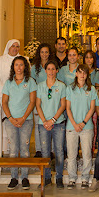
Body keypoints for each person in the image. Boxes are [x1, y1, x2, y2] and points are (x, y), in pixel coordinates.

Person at [2, 56, 37, 190]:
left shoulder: (30, 82)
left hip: (26, 121)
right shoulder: (8, 83)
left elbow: (32, 102)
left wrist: (23, 118)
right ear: (13, 67)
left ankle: (25, 177)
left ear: (25, 67)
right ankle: (13, 177)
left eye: (21, 65)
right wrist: (10, 118)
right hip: (10, 121)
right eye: (16, 65)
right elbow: (4, 102)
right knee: (13, 150)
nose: (19, 67)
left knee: (25, 150)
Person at [36, 60, 66, 189]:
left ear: (57, 71)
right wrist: (44, 121)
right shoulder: (40, 86)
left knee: (59, 151)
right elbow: (38, 104)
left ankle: (59, 177)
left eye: (53, 69)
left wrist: (52, 120)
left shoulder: (62, 86)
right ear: (45, 71)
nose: (51, 71)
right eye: (49, 69)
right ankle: (47, 178)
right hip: (43, 124)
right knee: (45, 151)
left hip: (58, 123)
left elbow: (63, 105)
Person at [66, 64, 96, 189]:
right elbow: (67, 108)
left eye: (84, 72)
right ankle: (72, 178)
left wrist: (83, 123)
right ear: (76, 74)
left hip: (86, 127)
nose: (82, 75)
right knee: (72, 155)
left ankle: (85, 178)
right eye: (80, 72)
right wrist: (74, 123)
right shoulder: (69, 88)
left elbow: (92, 108)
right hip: (71, 126)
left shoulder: (91, 89)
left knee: (86, 154)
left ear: (87, 74)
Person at [0, 39, 21, 152]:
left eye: (17, 46)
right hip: (3, 97)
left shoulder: (23, 60)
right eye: (13, 46)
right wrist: (6, 94)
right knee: (5, 123)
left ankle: (15, 151)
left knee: (17, 123)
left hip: (19, 99)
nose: (15, 48)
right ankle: (5, 150)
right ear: (8, 47)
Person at [31, 43, 53, 157]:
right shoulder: (35, 67)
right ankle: (39, 149)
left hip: (51, 98)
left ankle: (50, 149)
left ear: (49, 53)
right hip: (39, 98)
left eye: (46, 52)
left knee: (51, 122)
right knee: (39, 123)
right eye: (42, 52)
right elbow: (32, 84)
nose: (44, 54)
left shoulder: (52, 66)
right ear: (39, 53)